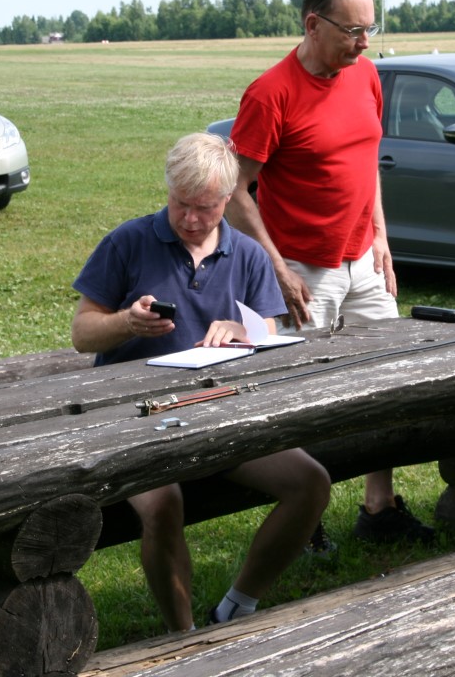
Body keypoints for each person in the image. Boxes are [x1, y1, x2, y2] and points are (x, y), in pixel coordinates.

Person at [70, 131, 331, 631]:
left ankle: (238, 605)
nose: (190, 219)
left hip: (220, 410)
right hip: (136, 419)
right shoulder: (128, 242)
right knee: (164, 503)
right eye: (180, 204)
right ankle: (183, 637)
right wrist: (127, 322)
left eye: (205, 208)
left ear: (230, 199)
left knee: (310, 483)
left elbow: (267, 333)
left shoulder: (250, 255)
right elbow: (83, 334)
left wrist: (241, 331)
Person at [226, 0, 435, 545]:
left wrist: (382, 239)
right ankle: (306, 515)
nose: (365, 42)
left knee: (386, 382)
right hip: (303, 271)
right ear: (313, 24)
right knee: (299, 395)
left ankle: (378, 507)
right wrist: (274, 264)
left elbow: (367, 164)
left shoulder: (366, 76)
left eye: (371, 28)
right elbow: (235, 190)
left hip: (363, 261)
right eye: (353, 31)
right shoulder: (270, 94)